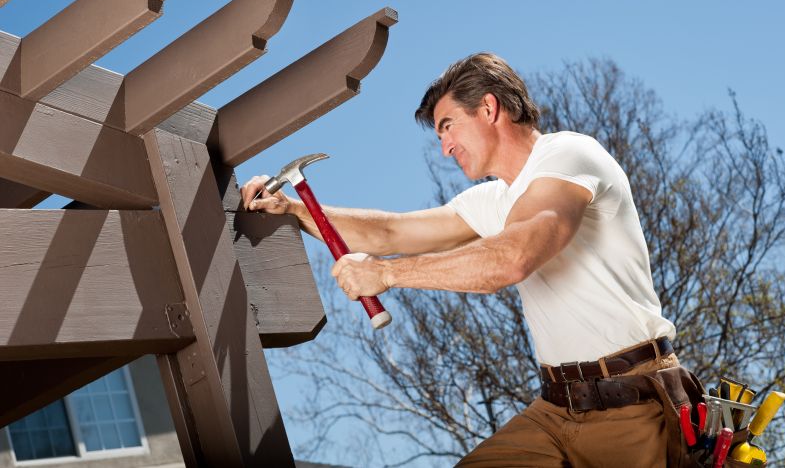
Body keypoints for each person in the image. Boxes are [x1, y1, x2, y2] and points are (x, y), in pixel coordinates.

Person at [241, 53, 697, 467]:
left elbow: (512, 257)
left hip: (632, 403)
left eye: (447, 126)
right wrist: (293, 209)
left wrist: (387, 273)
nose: (444, 147)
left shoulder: (568, 156)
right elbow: (392, 231)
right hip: (557, 407)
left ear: (489, 108)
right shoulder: (494, 200)